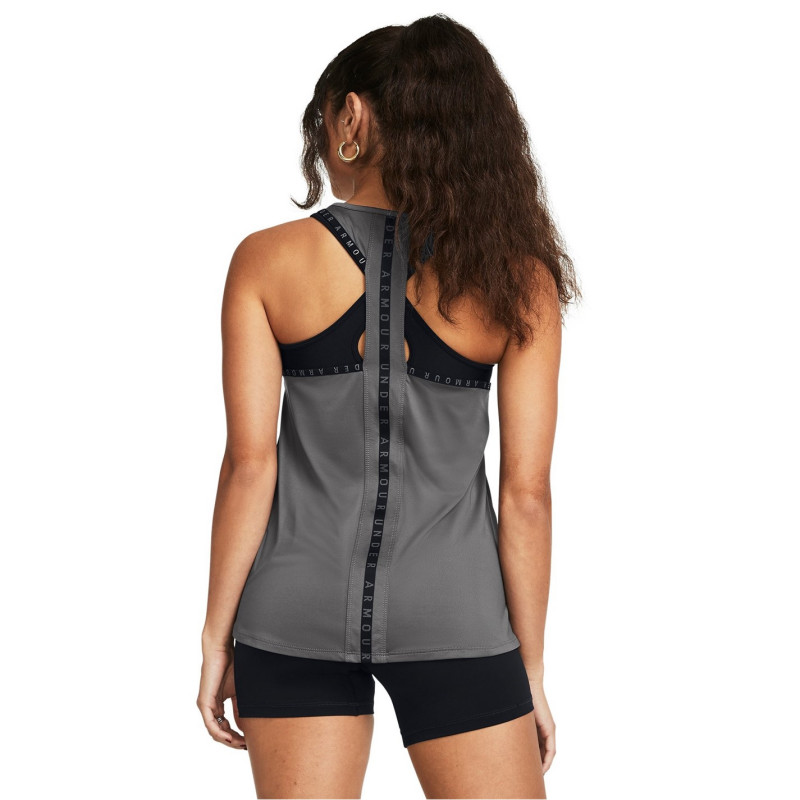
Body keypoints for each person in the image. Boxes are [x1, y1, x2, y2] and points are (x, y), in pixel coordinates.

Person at [197, 13, 579, 799]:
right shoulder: (516, 278)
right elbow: (527, 494)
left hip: (291, 611)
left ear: (351, 116)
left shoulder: (267, 261)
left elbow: (249, 465)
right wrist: (530, 666)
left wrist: (215, 637)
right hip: (457, 616)